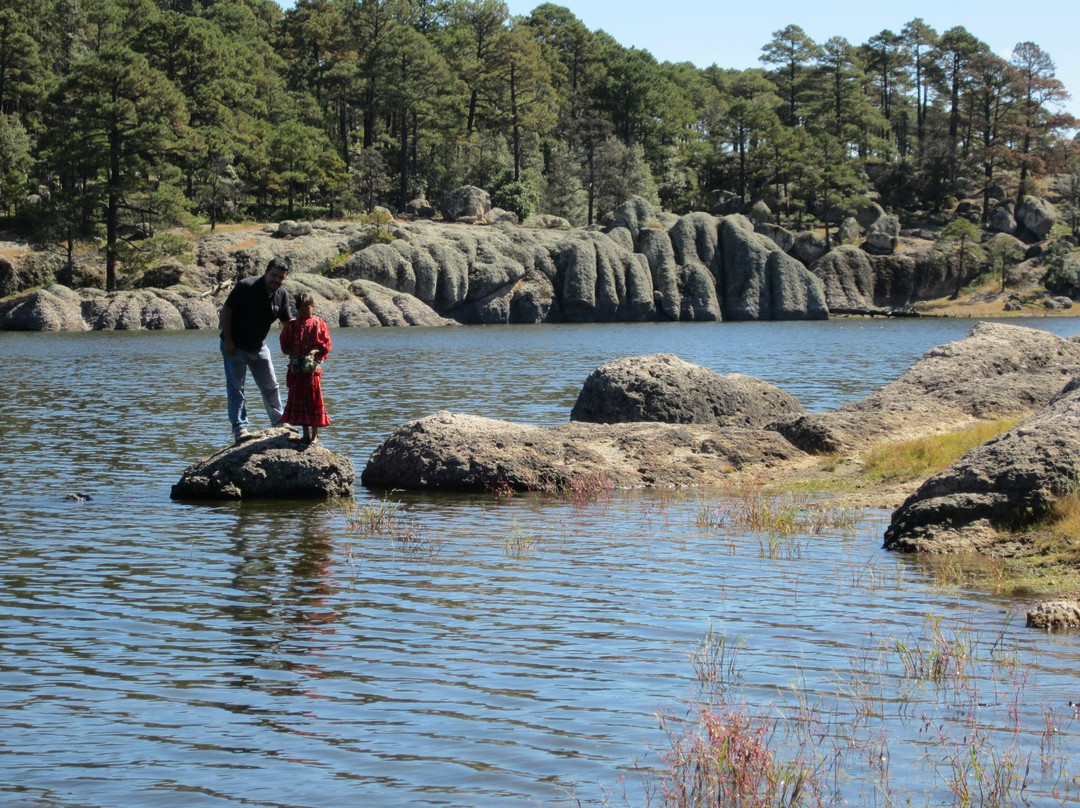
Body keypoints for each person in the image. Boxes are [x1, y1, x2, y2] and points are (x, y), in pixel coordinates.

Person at [220, 257, 294, 443]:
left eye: (281, 277)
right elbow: (226, 311)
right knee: (236, 388)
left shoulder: (282, 295)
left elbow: (286, 323)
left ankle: (279, 421)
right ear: (266, 272)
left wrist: (306, 330)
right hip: (234, 346)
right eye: (273, 275)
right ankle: (240, 429)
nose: (276, 280)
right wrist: (228, 340)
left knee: (271, 385)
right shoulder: (246, 286)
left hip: (259, 346)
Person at [279, 292, 333, 445]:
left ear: (313, 307)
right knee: (300, 399)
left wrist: (315, 351)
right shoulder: (292, 325)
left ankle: (315, 435)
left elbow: (327, 345)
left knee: (313, 400)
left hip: (311, 370)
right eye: (301, 307)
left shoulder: (318, 323)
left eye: (307, 307)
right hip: (297, 369)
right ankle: (305, 435)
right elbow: (284, 346)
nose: (304, 310)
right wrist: (293, 353)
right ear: (297, 308)